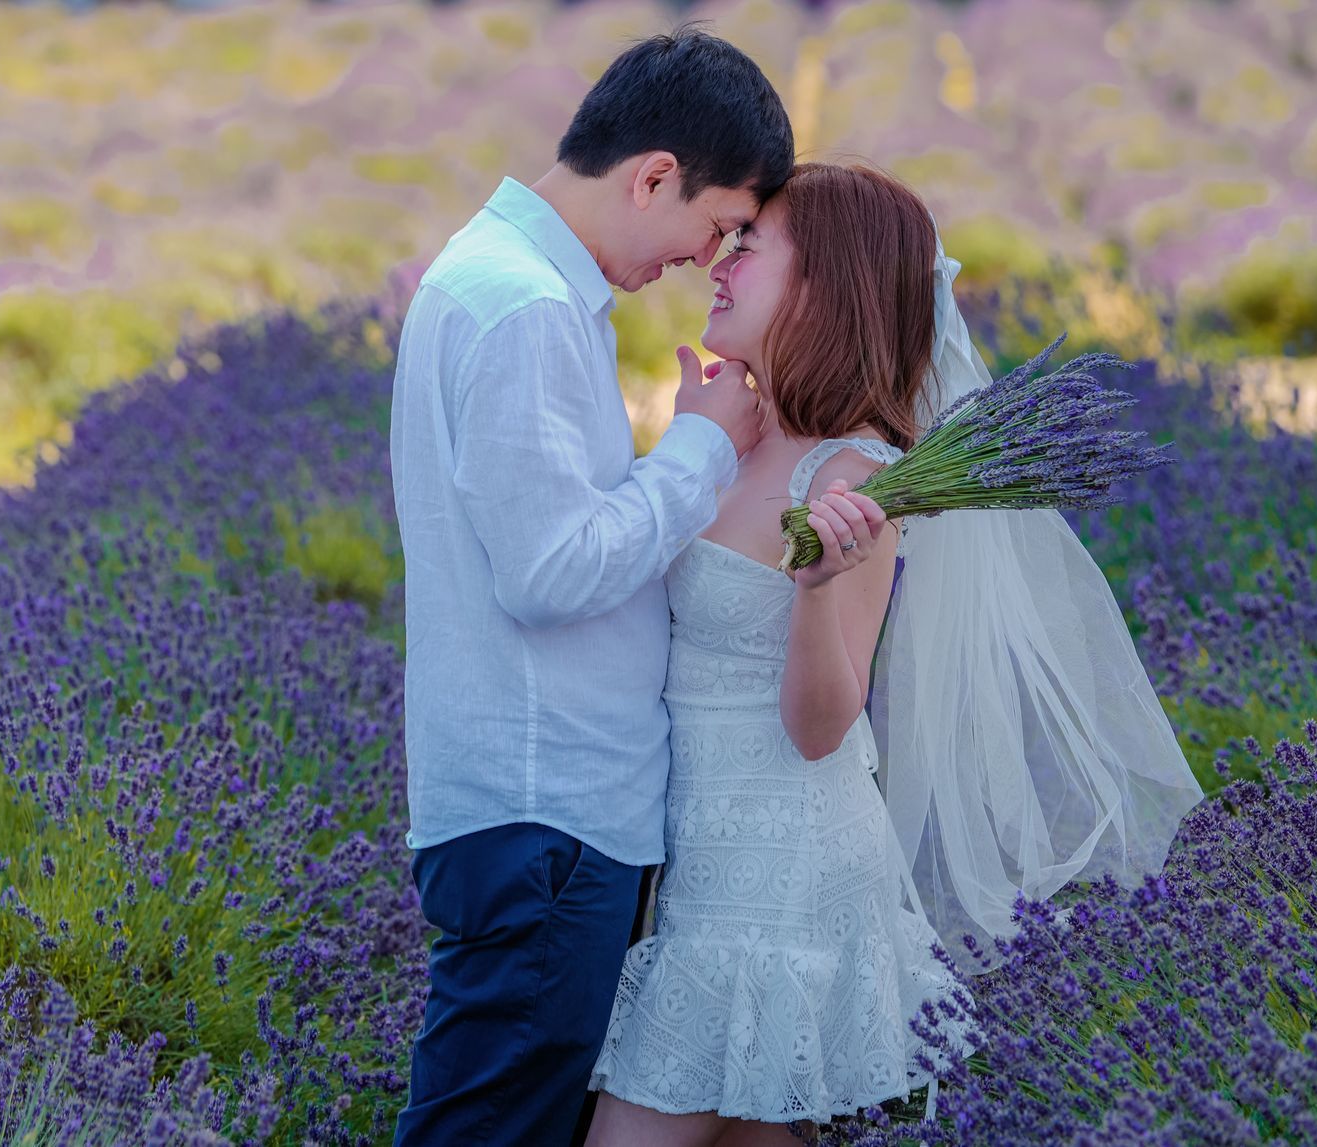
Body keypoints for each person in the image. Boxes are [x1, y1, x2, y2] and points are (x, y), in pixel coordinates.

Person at [584, 163, 1206, 1147]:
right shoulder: (732, 432)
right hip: (700, 857)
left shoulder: (855, 472)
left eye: (750, 247)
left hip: (777, 874)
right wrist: (689, 443)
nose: (720, 263)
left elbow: (822, 726)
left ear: (824, 286)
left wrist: (815, 589)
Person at [386, 23, 795, 1147]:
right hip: (546, 807)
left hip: (543, 809)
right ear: (654, 176)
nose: (706, 260)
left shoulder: (507, 284)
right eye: (717, 224)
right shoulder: (524, 307)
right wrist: (703, 447)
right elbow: (552, 569)